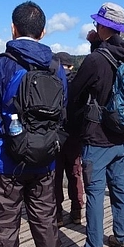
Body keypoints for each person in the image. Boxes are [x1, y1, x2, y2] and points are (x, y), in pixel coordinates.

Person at [0, 1, 67, 247]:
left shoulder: (1, 65)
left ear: (13, 29)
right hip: (46, 163)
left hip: (8, 161)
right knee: (46, 224)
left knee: (6, 226)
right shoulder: (56, 67)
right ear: (43, 32)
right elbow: (62, 115)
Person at [66, 2, 124, 247]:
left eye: (97, 22)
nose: (95, 25)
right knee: (120, 187)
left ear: (104, 26)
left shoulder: (96, 59)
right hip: (121, 136)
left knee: (95, 192)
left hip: (96, 139)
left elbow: (75, 93)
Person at [53, 51, 84, 226]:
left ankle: (58, 214)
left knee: (56, 176)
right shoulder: (79, 83)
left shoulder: (53, 80)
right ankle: (77, 211)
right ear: (71, 66)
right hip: (74, 135)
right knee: (74, 173)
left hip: (57, 134)